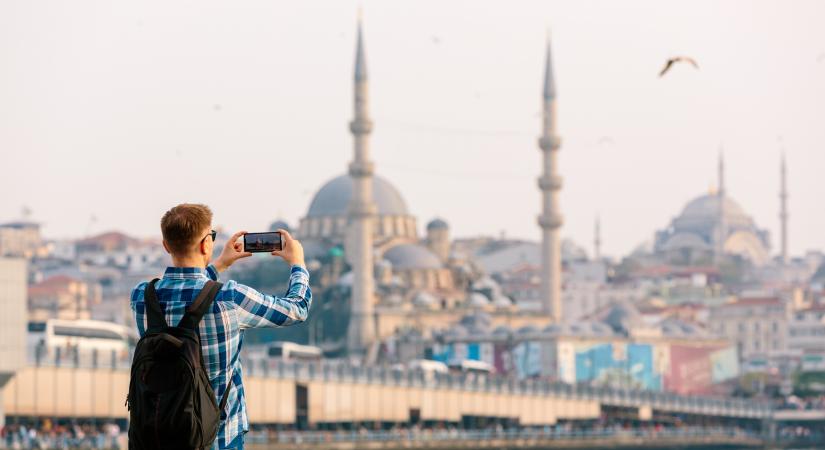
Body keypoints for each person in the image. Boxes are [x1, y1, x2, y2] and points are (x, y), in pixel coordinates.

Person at [130, 203, 312, 449]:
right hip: (219, 438)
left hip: (160, 437)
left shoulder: (142, 297)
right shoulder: (230, 298)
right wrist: (298, 264)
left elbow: (188, 294)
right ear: (206, 244)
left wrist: (219, 265)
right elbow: (296, 309)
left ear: (165, 245)